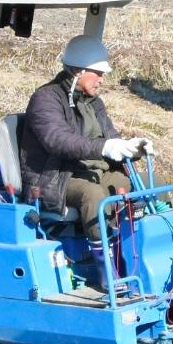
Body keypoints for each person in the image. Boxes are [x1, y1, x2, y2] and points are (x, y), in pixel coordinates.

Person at [17, 35, 150, 239]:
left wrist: (133, 148)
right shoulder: (45, 99)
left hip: (94, 171)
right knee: (93, 195)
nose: (101, 79)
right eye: (98, 73)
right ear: (78, 70)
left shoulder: (94, 102)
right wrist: (104, 147)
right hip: (57, 177)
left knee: (148, 181)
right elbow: (58, 140)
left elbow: (112, 137)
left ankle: (153, 246)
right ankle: (105, 263)